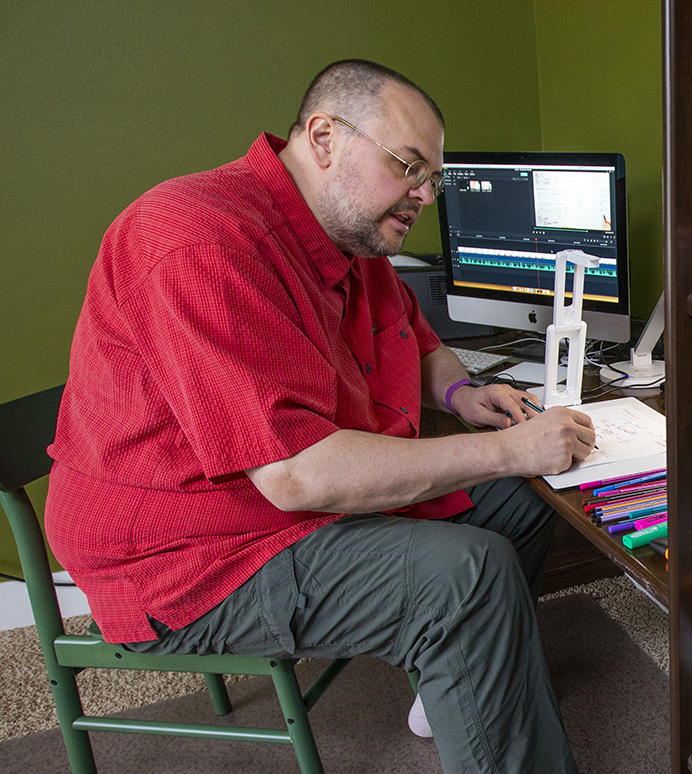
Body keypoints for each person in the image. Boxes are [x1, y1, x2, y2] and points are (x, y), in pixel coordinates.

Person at [45, 59, 594, 774]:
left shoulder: (349, 229)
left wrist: (462, 397)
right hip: (185, 553)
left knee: (524, 501)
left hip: (276, 497)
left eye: (433, 177)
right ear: (326, 137)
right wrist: (510, 449)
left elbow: (414, 340)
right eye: (409, 167)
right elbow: (299, 478)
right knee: (467, 575)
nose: (425, 194)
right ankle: (469, 655)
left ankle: (460, 683)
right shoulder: (195, 242)